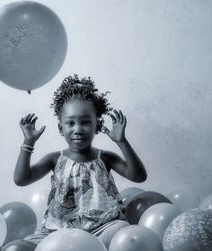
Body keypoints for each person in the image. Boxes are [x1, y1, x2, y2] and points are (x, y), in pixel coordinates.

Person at [14, 75, 147, 248]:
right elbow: (21, 179)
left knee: (123, 231)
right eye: (70, 123)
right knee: (27, 245)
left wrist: (122, 142)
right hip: (59, 232)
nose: (77, 129)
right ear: (61, 128)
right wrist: (28, 143)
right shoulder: (54, 159)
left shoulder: (105, 158)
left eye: (85, 122)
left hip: (102, 228)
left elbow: (139, 176)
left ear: (96, 126)